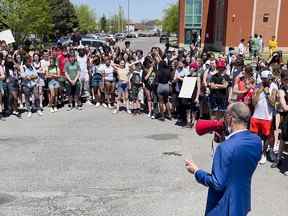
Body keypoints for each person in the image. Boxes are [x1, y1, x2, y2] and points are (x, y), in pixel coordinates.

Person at [185, 102, 262, 216]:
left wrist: (196, 171)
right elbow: (238, 163)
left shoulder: (225, 148)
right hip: (241, 203)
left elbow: (217, 183)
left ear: (230, 119)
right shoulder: (256, 141)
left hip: (223, 209)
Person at [250, 70, 278, 164]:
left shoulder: (274, 86)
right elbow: (253, 103)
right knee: (255, 137)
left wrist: (266, 93)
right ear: (263, 79)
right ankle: (256, 153)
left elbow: (273, 103)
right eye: (267, 79)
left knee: (267, 137)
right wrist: (258, 92)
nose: (269, 81)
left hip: (267, 116)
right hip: (256, 115)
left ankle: (264, 154)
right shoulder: (257, 86)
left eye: (270, 79)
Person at [271, 70, 288, 174]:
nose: (287, 82)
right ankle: (278, 159)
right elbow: (285, 107)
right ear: (282, 80)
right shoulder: (281, 91)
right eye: (285, 80)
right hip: (287, 117)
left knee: (283, 139)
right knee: (283, 139)